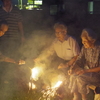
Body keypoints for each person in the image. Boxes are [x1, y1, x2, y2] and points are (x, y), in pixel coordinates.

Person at [68, 28, 100, 100]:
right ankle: (76, 96)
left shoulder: (99, 48)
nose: (83, 43)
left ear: (92, 40)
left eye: (85, 41)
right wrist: (72, 68)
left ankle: (84, 98)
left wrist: (85, 71)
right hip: (87, 72)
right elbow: (79, 59)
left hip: (97, 75)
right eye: (82, 40)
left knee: (81, 77)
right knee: (73, 75)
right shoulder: (85, 48)